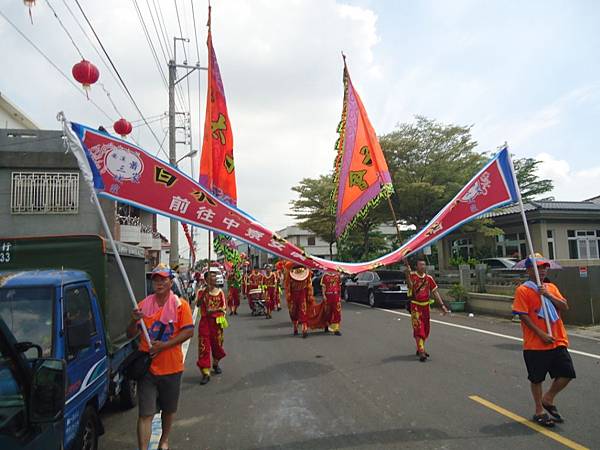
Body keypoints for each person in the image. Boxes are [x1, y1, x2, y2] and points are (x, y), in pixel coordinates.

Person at [127, 265, 194, 450]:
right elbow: (129, 334)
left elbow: (188, 331)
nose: (159, 283)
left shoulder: (181, 305)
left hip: (172, 368)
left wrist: (164, 345)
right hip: (147, 369)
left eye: (163, 279)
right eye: (156, 279)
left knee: (169, 410)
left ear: (170, 282)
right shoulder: (142, 305)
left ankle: (164, 440)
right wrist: (134, 320)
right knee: (145, 413)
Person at [512, 255, 575, 428]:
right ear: (529, 270)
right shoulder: (523, 290)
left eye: (545, 267)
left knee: (567, 373)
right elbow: (522, 315)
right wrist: (541, 334)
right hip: (536, 344)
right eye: (539, 267)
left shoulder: (551, 287)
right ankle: (539, 411)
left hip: (557, 339)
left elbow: (564, 306)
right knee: (537, 378)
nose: (543, 270)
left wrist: (547, 295)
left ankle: (548, 398)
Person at [403, 258, 448, 362]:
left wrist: (442, 305)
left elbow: (435, 292)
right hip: (415, 306)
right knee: (418, 328)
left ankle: (420, 348)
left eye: (424, 265)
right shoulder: (413, 276)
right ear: (416, 266)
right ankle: (422, 351)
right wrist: (407, 275)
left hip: (426, 306)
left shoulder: (429, 278)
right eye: (420, 265)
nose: (423, 267)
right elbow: (410, 286)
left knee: (426, 328)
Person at [196, 271, 228, 385]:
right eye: (212, 277)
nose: (214, 279)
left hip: (217, 322)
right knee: (204, 346)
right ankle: (205, 372)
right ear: (206, 280)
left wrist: (214, 311)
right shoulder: (202, 291)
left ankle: (215, 363)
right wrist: (204, 292)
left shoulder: (220, 292)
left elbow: (223, 308)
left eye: (215, 277)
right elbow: (198, 304)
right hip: (205, 322)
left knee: (217, 345)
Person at [284, 264, 313, 338]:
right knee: (294, 311)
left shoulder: (307, 272)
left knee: (303, 310)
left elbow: (309, 285)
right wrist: (289, 295)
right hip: (294, 294)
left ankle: (304, 328)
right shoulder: (290, 273)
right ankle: (296, 327)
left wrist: (309, 294)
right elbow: (287, 286)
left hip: (301, 293)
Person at [321, 270, 342, 336]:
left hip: (336, 295)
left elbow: (339, 286)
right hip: (328, 295)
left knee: (337, 312)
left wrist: (339, 296)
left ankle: (336, 329)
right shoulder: (325, 276)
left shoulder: (338, 276)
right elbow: (323, 286)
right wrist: (324, 295)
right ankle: (326, 325)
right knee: (328, 312)